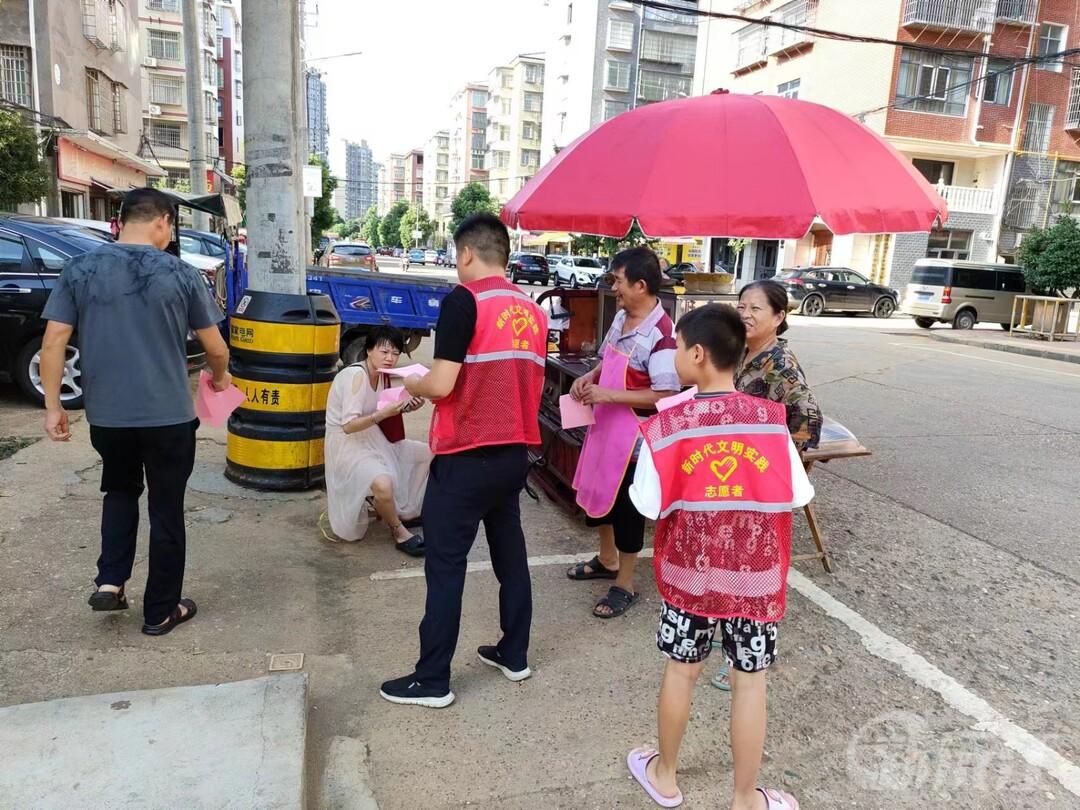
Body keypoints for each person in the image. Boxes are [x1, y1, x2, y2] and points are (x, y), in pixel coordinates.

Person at [625, 304, 813, 810]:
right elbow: (798, 494)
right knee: (750, 685)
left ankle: (665, 776)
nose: (675, 354)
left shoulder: (668, 426)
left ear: (698, 355)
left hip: (690, 575)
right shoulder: (770, 422)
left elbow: (647, 504)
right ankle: (746, 799)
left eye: (678, 346)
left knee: (680, 671)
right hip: (755, 580)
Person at [39, 187, 230, 636]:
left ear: (121, 220)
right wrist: (220, 379)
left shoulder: (80, 269)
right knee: (166, 508)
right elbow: (216, 347)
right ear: (163, 221)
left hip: (109, 417)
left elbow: (53, 341)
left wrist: (53, 406)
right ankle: (160, 611)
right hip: (168, 418)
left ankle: (110, 581)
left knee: (119, 490)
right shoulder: (181, 273)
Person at [379, 213, 547, 708]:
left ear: (467, 253)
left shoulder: (464, 300)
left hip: (467, 454)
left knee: (445, 567)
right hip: (514, 453)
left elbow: (442, 383)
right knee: (510, 556)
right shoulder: (531, 310)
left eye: (457, 256)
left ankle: (432, 679)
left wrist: (412, 381)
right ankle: (514, 653)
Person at [709, 279, 823, 691]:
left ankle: (743, 662)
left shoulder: (780, 365)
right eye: (742, 306)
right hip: (729, 478)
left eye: (756, 308)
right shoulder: (739, 352)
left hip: (758, 487)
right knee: (729, 562)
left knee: (750, 571)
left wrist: (776, 467)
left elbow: (808, 421)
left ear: (779, 317)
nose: (745, 314)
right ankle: (729, 641)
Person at [566, 247, 679, 618]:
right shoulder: (621, 317)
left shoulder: (662, 335)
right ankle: (607, 558)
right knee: (600, 492)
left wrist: (609, 395)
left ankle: (625, 582)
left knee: (627, 509)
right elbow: (605, 361)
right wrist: (588, 378)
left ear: (640, 285)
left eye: (618, 281)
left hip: (634, 439)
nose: (613, 287)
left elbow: (666, 394)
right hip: (605, 427)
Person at [323, 326, 430, 556]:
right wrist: (382, 415)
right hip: (347, 444)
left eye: (395, 353)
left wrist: (408, 407)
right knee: (383, 483)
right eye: (384, 352)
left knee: (429, 453)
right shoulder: (356, 376)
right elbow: (348, 426)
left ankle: (407, 510)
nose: (390, 358)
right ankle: (398, 530)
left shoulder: (381, 375)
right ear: (369, 350)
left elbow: (383, 408)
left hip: (373, 437)